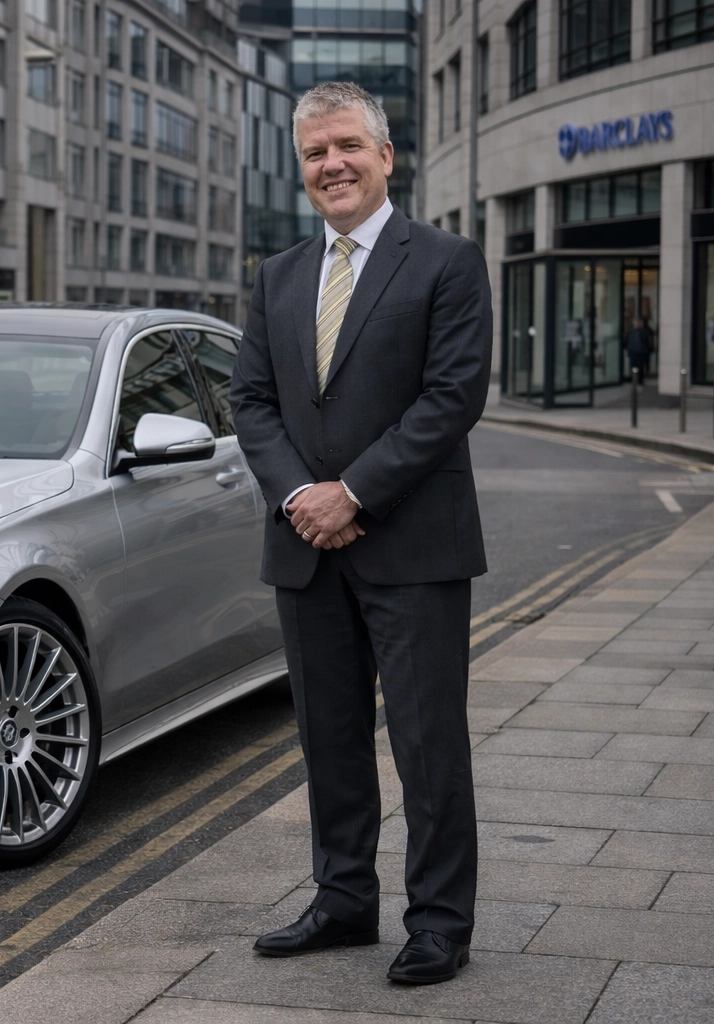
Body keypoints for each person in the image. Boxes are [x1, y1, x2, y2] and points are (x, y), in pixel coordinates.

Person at [228, 82, 491, 985]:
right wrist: (303, 493)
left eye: (346, 146)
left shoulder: (448, 261)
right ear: (299, 168)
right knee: (329, 739)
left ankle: (440, 922)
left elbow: (452, 398)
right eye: (313, 153)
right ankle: (343, 901)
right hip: (305, 545)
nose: (330, 165)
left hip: (413, 546)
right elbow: (251, 402)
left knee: (427, 743)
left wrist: (355, 493)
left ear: (386, 156)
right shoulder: (278, 275)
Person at [625, 316, 653, 381]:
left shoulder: (644, 331)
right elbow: (626, 340)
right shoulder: (630, 331)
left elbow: (648, 342)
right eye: (635, 322)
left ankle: (640, 381)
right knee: (632, 367)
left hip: (641, 352)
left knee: (640, 367)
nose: (637, 324)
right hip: (632, 352)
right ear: (633, 323)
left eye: (638, 322)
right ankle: (633, 380)